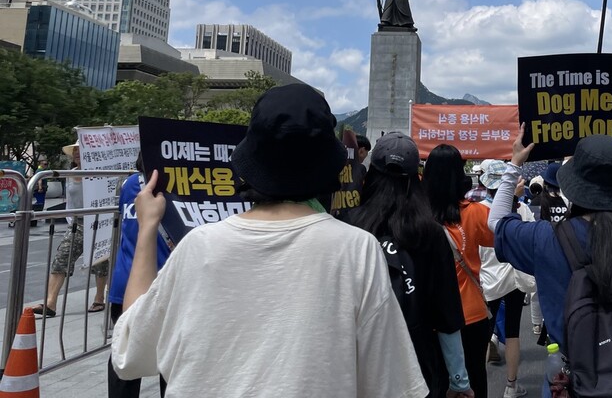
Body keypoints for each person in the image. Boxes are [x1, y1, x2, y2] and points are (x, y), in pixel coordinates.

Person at [111, 84, 427, 397]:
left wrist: (148, 226)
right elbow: (392, 384)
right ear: (329, 168)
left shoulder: (199, 246)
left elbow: (128, 353)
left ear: (249, 162)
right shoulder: (357, 250)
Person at [488, 122, 612, 398]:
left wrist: (514, 164)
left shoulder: (545, 240)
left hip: (572, 383)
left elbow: (497, 221)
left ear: (572, 187)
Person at [354, 132, 473, 398]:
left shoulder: (351, 226)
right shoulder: (429, 233)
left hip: (360, 363)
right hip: (417, 364)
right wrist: (459, 380)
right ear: (415, 180)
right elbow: (447, 315)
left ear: (370, 175)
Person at [424, 144, 496, 398]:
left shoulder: (417, 217)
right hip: (471, 314)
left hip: (429, 317)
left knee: (435, 382)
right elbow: (501, 232)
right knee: (475, 377)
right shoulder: (476, 213)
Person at [107, 157, 173, 398]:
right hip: (164, 286)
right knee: (172, 358)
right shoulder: (173, 187)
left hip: (125, 285)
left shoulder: (129, 184)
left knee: (124, 354)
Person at [478, 160, 536, 398]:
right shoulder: (522, 209)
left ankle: (478, 386)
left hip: (489, 278)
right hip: (516, 278)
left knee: (482, 333)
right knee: (513, 331)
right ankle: (511, 386)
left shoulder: (478, 210)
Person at [33, 141, 109, 317]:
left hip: (98, 220)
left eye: (79, 150)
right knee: (61, 258)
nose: (76, 153)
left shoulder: (99, 172)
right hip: (77, 223)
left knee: (100, 262)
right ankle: (50, 303)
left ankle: (99, 298)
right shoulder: (70, 173)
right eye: (74, 150)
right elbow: (70, 200)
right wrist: (70, 219)